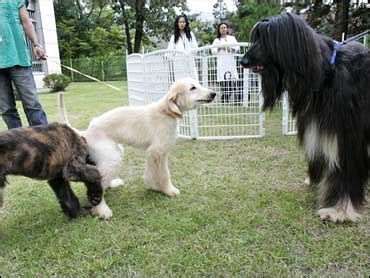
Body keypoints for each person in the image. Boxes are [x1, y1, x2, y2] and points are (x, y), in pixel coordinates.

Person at [0, 0, 48, 129]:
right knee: (6, 109)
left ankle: (44, 140)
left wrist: (36, 44)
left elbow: (27, 22)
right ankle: (18, 144)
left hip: (18, 57)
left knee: (32, 104)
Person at [211, 22, 242, 105]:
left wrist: (229, 48)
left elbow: (237, 48)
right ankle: (224, 101)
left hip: (231, 62)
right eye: (222, 28)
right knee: (224, 83)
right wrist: (220, 47)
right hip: (222, 63)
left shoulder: (232, 38)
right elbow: (213, 51)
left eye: (225, 27)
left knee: (233, 81)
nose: (223, 29)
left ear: (227, 29)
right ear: (219, 30)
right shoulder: (217, 40)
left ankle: (236, 101)